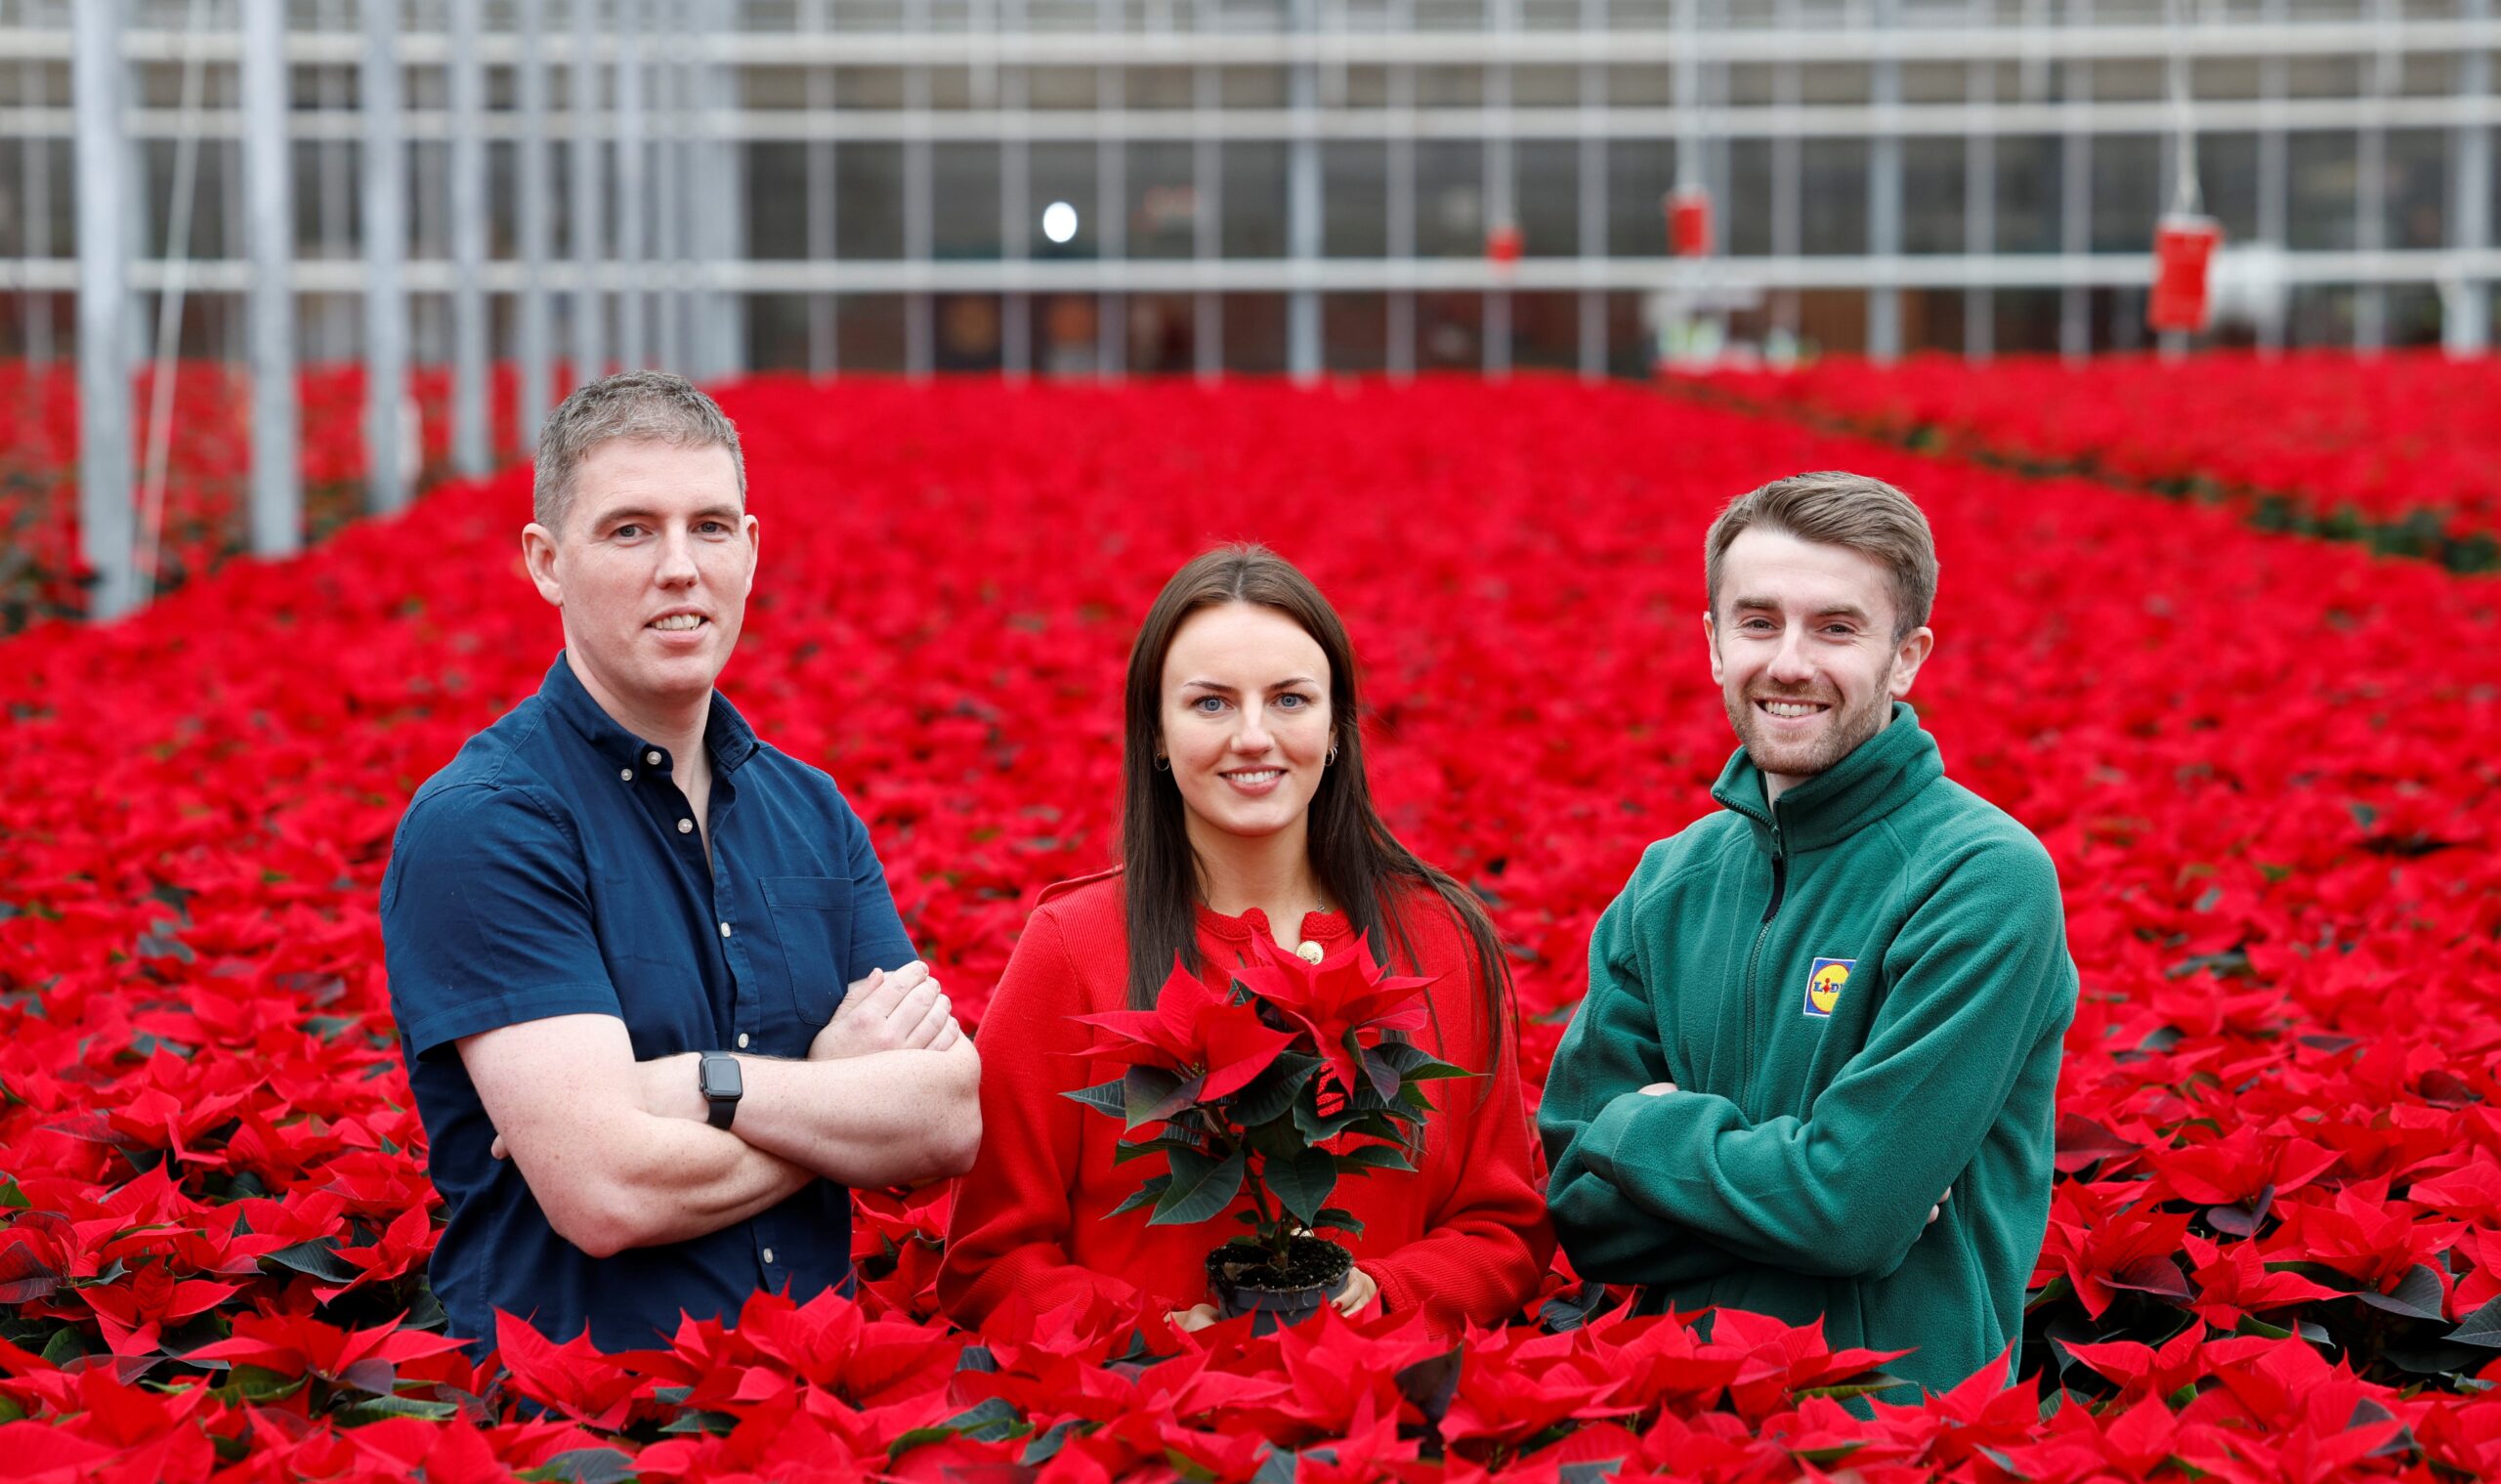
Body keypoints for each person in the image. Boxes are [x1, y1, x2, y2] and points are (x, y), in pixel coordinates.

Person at [380, 371, 980, 1356]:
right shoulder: (484, 826)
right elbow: (608, 1191)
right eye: (629, 530)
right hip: (589, 1450)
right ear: (546, 562)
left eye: (709, 526)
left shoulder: (811, 814)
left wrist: (700, 1086)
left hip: (817, 1411)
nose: (678, 568)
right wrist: (824, 1092)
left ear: (749, 552)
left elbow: (946, 1119)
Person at [1539, 471, 2078, 1396]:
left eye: (1836, 627)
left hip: (1897, 1447)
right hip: (1683, 1432)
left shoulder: (1984, 876)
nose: (1790, 662)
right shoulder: (1669, 882)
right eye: (1757, 623)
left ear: (1906, 657)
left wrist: (1636, 1130)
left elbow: (1850, 1210)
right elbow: (1583, 1217)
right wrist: (1804, 1170)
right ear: (1713, 645)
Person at [939, 547, 1552, 1334]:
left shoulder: (1443, 939)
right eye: (1211, 704)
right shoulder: (1072, 945)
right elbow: (992, 1257)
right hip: (1144, 1427)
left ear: (1337, 729)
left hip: (1376, 1425)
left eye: (1291, 700)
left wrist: (1388, 1292)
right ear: (1156, 734)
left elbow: (1502, 1229)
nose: (1254, 736)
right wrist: (1153, 1330)